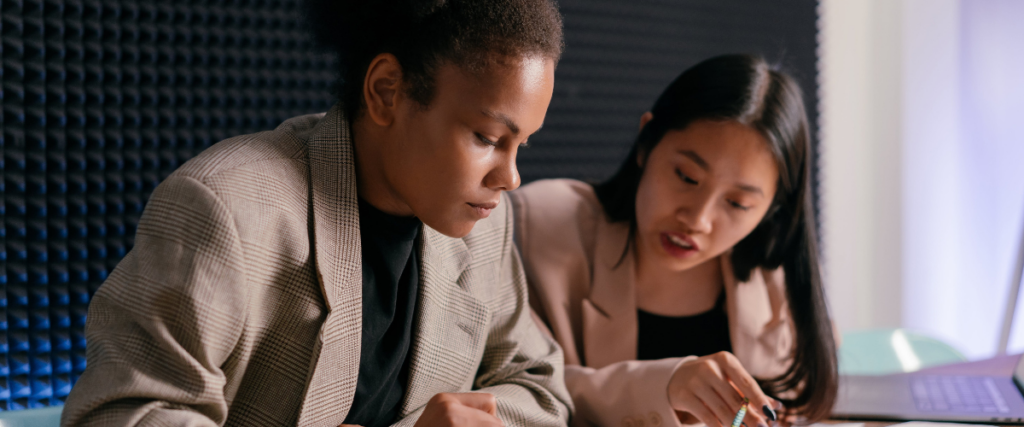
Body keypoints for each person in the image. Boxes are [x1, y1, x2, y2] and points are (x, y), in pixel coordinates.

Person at [60, 1, 573, 426]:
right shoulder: (224, 207)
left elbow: (542, 387)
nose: (510, 178)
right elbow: (119, 415)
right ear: (386, 92)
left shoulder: (486, 222)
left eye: (520, 145)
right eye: (487, 138)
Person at [509, 55, 838, 427]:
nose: (697, 220)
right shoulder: (539, 224)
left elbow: (801, 398)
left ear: (772, 208)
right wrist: (664, 387)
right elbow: (521, 386)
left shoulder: (777, 268)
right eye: (686, 177)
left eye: (737, 203)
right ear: (646, 142)